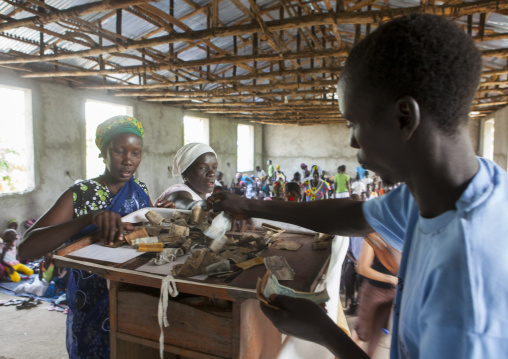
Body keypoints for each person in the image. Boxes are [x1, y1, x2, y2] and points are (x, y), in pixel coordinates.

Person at [209, 14, 508, 358]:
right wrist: (249, 205)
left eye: (353, 123)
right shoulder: (443, 192)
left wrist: (326, 334)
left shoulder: (466, 284)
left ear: (404, 119)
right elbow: (355, 215)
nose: (352, 141)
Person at [19, 115, 163, 358]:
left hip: (136, 293)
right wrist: (87, 219)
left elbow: (147, 231)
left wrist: (161, 213)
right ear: (102, 152)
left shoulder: (140, 189)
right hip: (92, 298)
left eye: (136, 153)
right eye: (119, 151)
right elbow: (25, 249)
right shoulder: (81, 194)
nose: (128, 160)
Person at [352, 233, 399, 357]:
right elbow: (362, 268)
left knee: (381, 335)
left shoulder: (402, 235)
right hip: (374, 292)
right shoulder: (374, 236)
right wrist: (390, 279)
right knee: (362, 333)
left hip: (396, 294)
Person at [157, 142, 218, 209]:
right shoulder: (179, 192)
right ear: (186, 172)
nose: (212, 173)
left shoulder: (207, 196)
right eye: (203, 168)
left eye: (214, 167)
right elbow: (185, 204)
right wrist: (217, 205)